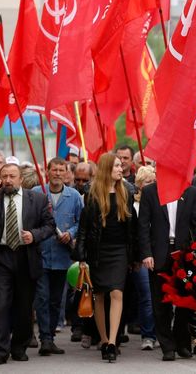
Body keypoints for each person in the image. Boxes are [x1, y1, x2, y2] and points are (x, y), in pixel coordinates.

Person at [0, 163, 55, 365]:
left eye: (12, 176)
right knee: (0, 304)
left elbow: (50, 225)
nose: (7, 180)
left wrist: (35, 235)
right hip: (1, 257)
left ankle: (19, 347)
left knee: (24, 306)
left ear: (20, 179)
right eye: (4, 176)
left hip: (26, 256)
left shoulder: (37, 198)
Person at [73, 153, 137, 362]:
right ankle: (103, 339)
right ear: (108, 168)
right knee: (99, 296)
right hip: (98, 252)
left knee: (117, 293)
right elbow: (83, 229)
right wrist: (81, 256)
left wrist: (134, 255)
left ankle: (112, 341)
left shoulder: (126, 192)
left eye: (121, 165)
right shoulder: (92, 194)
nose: (121, 169)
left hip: (119, 251)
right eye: (117, 166)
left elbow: (133, 228)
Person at [138, 166, 196, 361]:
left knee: (185, 301)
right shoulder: (150, 192)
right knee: (161, 303)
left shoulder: (191, 192)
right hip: (158, 253)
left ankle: (182, 342)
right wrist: (146, 254)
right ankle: (167, 346)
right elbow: (143, 226)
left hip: (184, 253)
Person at [33, 158, 83, 356]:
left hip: (63, 256)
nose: (57, 174)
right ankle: (44, 337)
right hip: (41, 253)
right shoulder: (37, 193)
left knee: (56, 300)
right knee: (42, 298)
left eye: (61, 170)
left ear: (66, 173)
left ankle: (51, 337)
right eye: (54, 170)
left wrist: (71, 232)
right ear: (47, 172)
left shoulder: (74, 196)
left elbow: (81, 221)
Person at [130, 166, 158, 351]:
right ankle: (148, 335)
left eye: (154, 182)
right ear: (139, 185)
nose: (151, 185)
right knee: (146, 296)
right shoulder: (133, 206)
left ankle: (159, 332)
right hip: (141, 257)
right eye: (147, 182)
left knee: (158, 296)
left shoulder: (159, 202)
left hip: (158, 254)